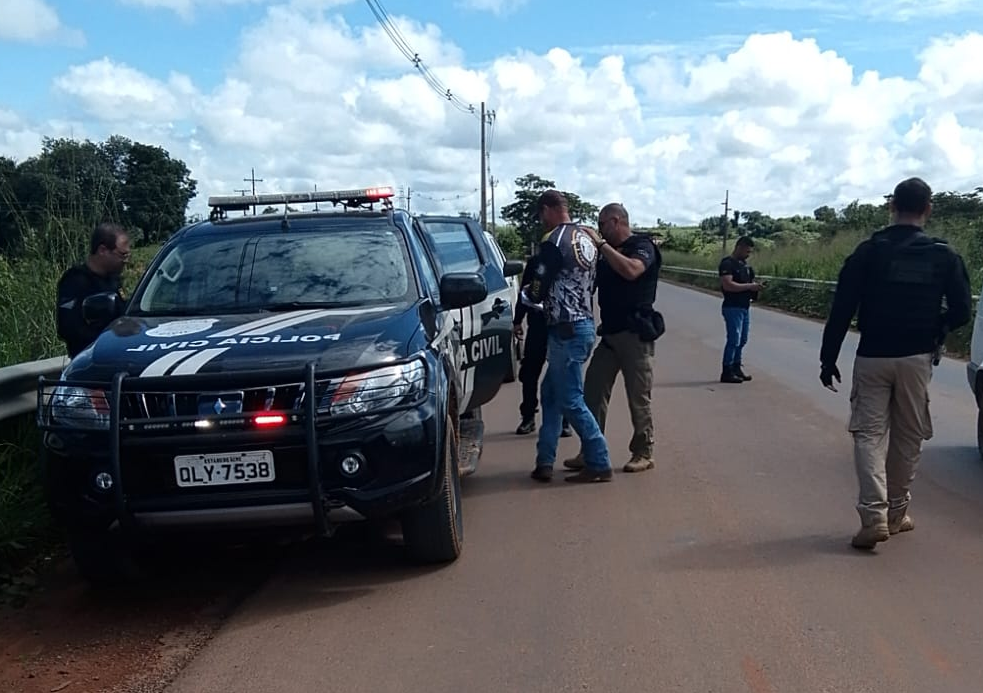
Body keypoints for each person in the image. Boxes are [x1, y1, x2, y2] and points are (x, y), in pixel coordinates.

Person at [819, 176, 972, 550]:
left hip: (873, 356)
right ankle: (896, 514)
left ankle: (874, 515)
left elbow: (842, 309)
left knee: (869, 435)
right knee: (908, 436)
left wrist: (828, 358)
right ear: (928, 209)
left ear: (892, 207)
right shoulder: (944, 255)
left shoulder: (868, 252)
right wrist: (937, 327)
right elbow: (962, 311)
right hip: (917, 359)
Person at [563, 202, 662, 474]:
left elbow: (632, 270)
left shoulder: (642, 246)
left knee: (638, 398)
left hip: (636, 335)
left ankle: (644, 452)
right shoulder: (605, 255)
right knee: (593, 393)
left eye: (602, 224)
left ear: (616, 221)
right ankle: (591, 451)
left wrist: (601, 245)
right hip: (610, 334)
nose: (600, 229)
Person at [522, 190, 612, 483]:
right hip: (583, 323)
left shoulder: (554, 240)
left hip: (565, 329)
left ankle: (599, 461)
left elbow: (539, 286)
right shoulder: (586, 238)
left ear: (547, 210)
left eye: (541, 215)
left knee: (571, 399)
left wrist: (527, 295)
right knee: (551, 393)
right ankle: (544, 461)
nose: (542, 221)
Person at [513, 251, 572, 438]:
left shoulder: (572, 260)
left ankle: (565, 421)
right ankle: (528, 416)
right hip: (539, 321)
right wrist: (517, 320)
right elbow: (525, 291)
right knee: (530, 371)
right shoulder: (536, 262)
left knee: (563, 372)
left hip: (563, 322)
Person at [56, 222, 130, 358]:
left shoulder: (113, 280)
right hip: (90, 360)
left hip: (120, 355)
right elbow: (67, 328)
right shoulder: (75, 281)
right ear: (102, 250)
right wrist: (107, 338)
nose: (125, 261)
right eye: (122, 255)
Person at [718, 236, 765, 384]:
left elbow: (748, 283)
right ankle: (727, 371)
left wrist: (756, 287)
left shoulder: (745, 266)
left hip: (744, 307)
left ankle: (736, 367)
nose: (748, 255)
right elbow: (728, 285)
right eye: (747, 251)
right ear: (739, 247)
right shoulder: (727, 264)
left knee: (742, 340)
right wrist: (750, 286)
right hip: (732, 306)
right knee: (734, 339)